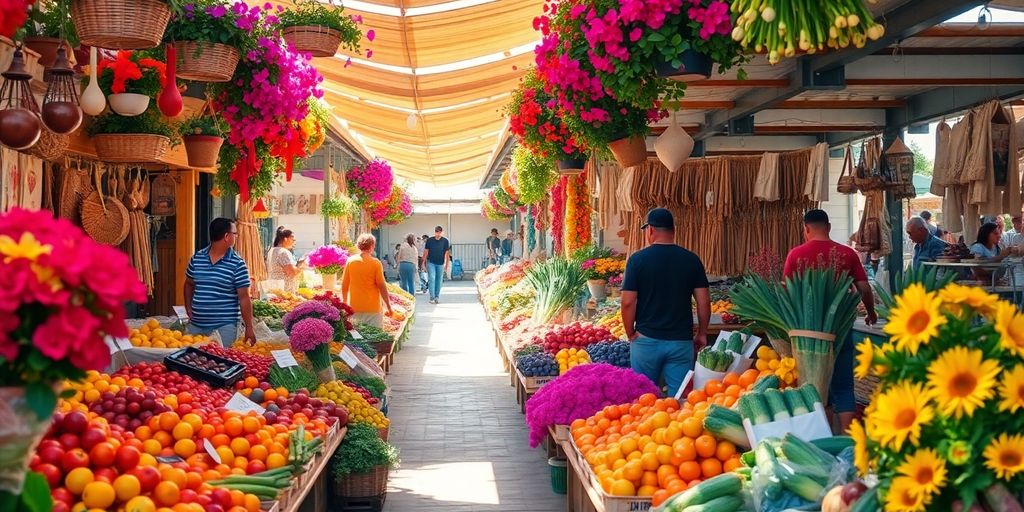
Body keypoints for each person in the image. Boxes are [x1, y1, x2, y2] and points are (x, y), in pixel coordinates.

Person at [783, 209, 876, 433]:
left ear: (806, 229)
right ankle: (846, 438)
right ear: (829, 227)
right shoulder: (847, 253)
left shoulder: (796, 255)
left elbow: (786, 292)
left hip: (807, 336)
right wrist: (871, 312)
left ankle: (823, 435)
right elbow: (864, 287)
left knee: (815, 387)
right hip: (840, 329)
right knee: (843, 385)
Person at [621, 208, 710, 398]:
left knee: (644, 400)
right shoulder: (691, 260)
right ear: (673, 230)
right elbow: (704, 301)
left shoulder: (637, 260)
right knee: (680, 400)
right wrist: (702, 333)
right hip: (681, 342)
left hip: (646, 341)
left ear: (650, 230)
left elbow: (628, 302)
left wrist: (630, 332)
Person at [184, 218, 256, 346]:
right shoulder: (197, 258)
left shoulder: (238, 264)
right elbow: (189, 283)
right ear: (227, 236)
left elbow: (244, 298)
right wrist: (188, 307)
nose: (236, 236)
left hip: (224, 328)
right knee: (191, 356)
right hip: (196, 325)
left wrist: (249, 327)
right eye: (235, 233)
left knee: (219, 358)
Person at [340, 233, 393, 328]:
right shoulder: (376, 263)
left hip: (354, 307)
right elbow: (382, 286)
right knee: (375, 335)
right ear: (372, 246)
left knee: (356, 335)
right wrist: (388, 306)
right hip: (373, 308)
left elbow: (344, 285)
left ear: (358, 245)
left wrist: (344, 303)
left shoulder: (350, 261)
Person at [266, 227, 305, 293]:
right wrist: (302, 265)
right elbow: (292, 273)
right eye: (293, 240)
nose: (294, 242)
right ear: (285, 239)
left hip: (275, 289)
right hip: (285, 292)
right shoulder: (283, 252)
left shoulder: (272, 250)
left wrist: (298, 263)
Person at [422, 226, 451, 304]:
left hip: (440, 263)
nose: (438, 233)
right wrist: (423, 263)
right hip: (431, 262)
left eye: (439, 232)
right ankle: (432, 297)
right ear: (435, 232)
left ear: (442, 232)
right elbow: (426, 252)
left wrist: (447, 265)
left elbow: (447, 254)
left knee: (439, 280)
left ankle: (436, 297)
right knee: (432, 278)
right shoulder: (429, 240)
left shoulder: (445, 241)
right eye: (436, 232)